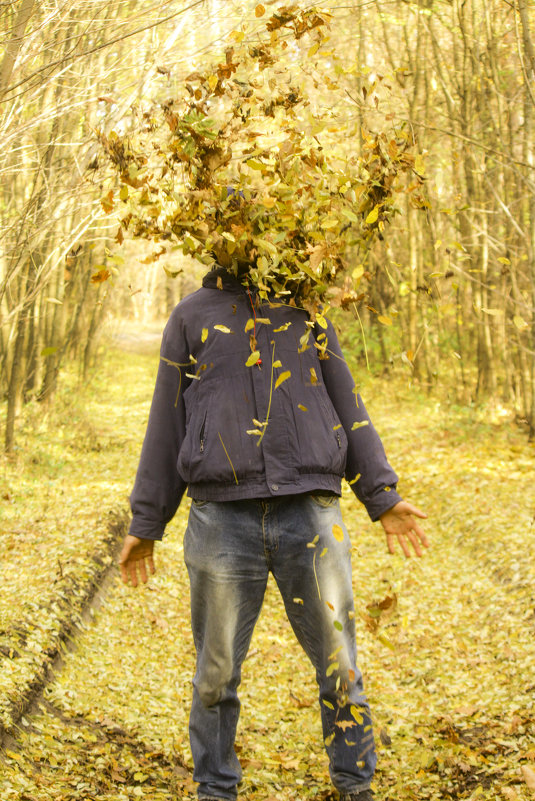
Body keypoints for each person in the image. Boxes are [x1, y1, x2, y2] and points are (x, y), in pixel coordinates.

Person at [119, 264, 428, 801]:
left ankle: (356, 786)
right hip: (221, 520)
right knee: (215, 674)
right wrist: (147, 521)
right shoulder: (192, 316)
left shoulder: (308, 310)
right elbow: (167, 421)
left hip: (309, 513)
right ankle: (215, 789)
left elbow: (347, 403)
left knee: (341, 665)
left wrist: (381, 495)